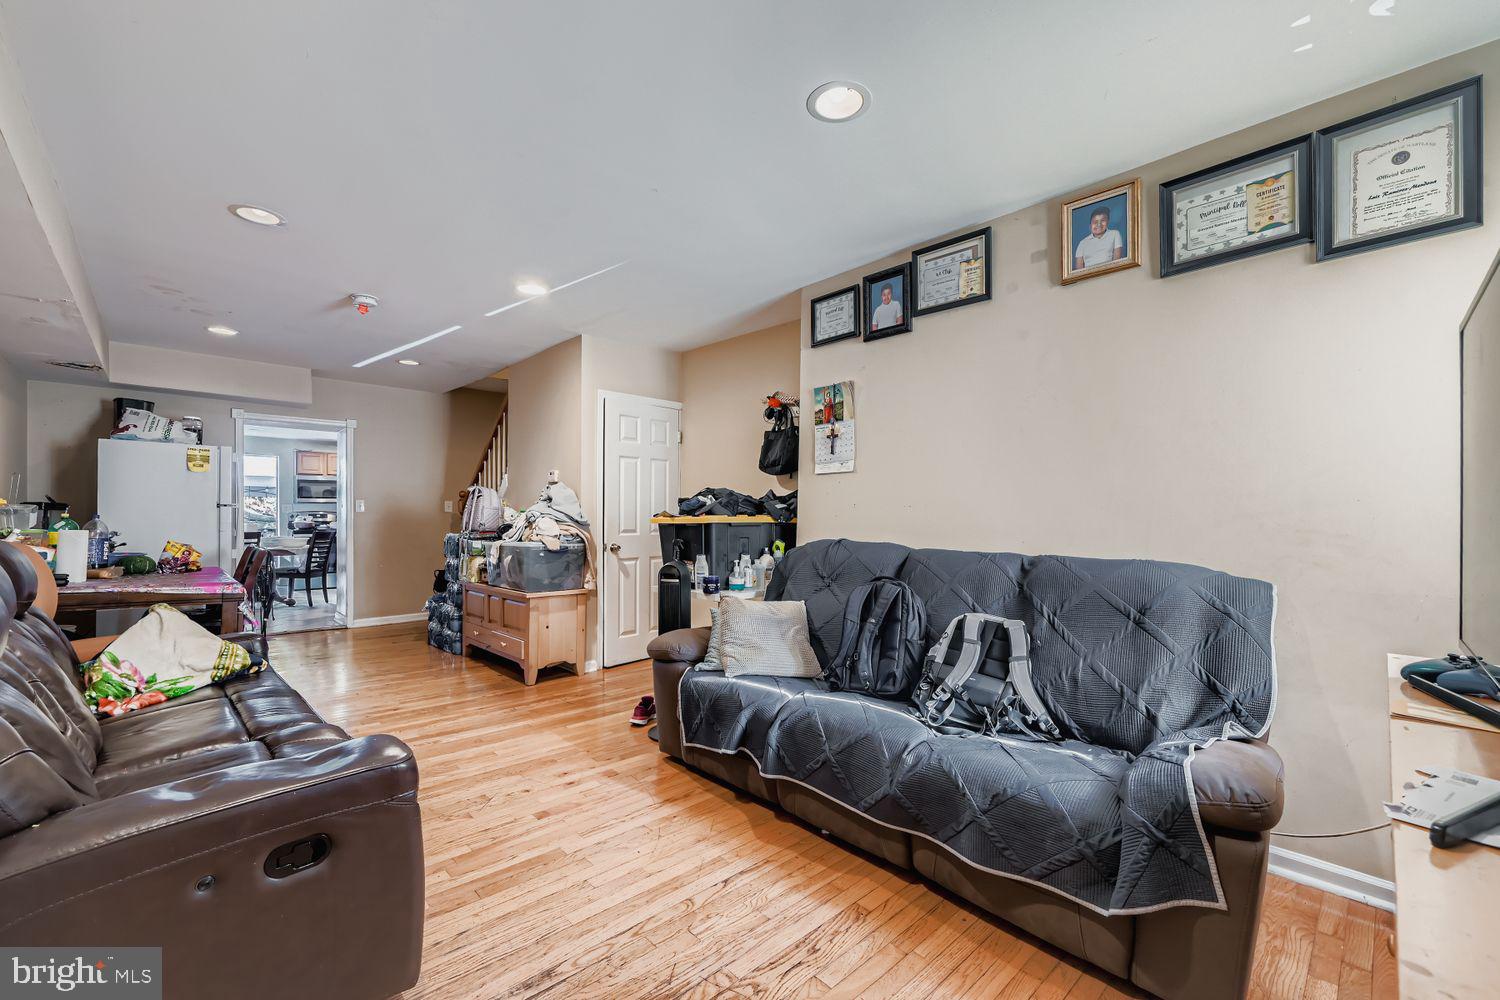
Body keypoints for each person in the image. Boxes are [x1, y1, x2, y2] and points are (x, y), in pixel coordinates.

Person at [1074, 205, 1124, 270]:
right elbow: (1079, 271)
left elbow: (1117, 261)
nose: (1099, 224)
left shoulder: (1114, 234)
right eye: (1095, 222)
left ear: (1108, 222)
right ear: (1090, 225)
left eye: (1103, 220)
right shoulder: (1082, 243)